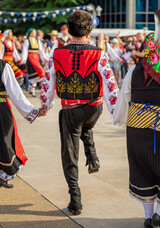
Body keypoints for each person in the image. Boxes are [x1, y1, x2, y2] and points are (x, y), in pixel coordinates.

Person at [40, 10, 119, 216]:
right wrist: (116, 113)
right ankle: (92, 155)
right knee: (85, 125)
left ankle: (75, 199)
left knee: (69, 154)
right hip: (94, 108)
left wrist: (45, 105)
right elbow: (111, 84)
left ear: (69, 30)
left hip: (70, 109)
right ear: (89, 30)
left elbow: (48, 82)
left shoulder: (57, 53)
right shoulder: (99, 53)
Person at [113, 9, 160, 228]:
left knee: (142, 169)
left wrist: (120, 119)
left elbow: (125, 97)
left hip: (138, 128)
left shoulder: (134, 69)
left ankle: (149, 217)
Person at [0, 32, 46, 188]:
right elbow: (16, 94)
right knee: (4, 142)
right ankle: (3, 175)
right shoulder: (3, 67)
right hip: (1, 109)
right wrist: (34, 111)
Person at [21, 28, 48, 97]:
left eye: (35, 32)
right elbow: (25, 50)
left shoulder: (37, 40)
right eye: (34, 32)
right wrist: (23, 59)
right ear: (30, 33)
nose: (35, 33)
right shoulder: (27, 41)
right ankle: (33, 90)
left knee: (37, 74)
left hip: (37, 58)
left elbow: (41, 50)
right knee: (37, 73)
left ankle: (32, 90)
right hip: (30, 59)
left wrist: (45, 58)